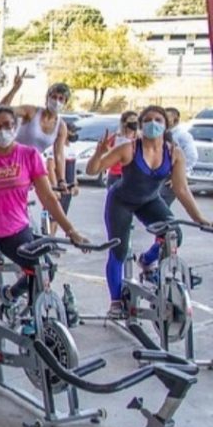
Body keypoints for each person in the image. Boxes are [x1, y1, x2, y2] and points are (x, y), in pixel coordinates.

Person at [0, 107, 86, 369]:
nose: (2, 130)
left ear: (15, 127)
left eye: (7, 124)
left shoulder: (29, 155)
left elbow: (47, 196)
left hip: (15, 228)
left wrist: (70, 230)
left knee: (43, 268)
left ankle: (12, 296)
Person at [85, 105, 211, 317]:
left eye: (158, 120)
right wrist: (99, 153)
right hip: (121, 202)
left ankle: (146, 260)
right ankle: (116, 302)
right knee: (119, 249)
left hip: (149, 200)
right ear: (141, 126)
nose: (153, 124)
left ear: (166, 125)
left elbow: (181, 189)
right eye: (148, 120)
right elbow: (92, 170)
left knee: (174, 234)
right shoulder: (129, 148)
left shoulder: (174, 153)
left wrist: (200, 218)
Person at [0, 79, 73, 191]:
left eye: (61, 99)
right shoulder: (32, 112)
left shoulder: (61, 126)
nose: (56, 101)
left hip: (30, 168)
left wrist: (61, 180)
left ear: (65, 103)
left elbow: (59, 154)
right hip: (10, 161)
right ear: (47, 98)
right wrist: (15, 88)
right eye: (53, 97)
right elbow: (1, 110)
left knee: (49, 196)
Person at [160, 107, 198, 207]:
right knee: (157, 208)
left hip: (171, 176)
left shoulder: (183, 135)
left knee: (162, 206)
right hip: (161, 174)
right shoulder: (162, 133)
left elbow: (192, 156)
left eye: (167, 117)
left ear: (175, 119)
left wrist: (179, 174)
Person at [105, 111, 139, 187]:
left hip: (133, 175)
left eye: (136, 120)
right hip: (116, 174)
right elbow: (106, 153)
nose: (134, 123)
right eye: (131, 120)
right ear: (124, 122)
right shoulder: (115, 137)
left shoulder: (140, 139)